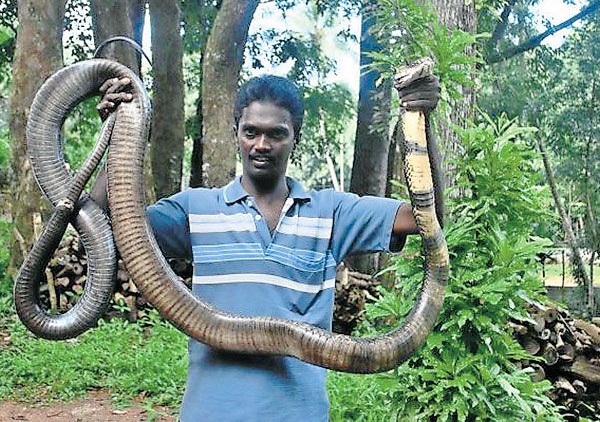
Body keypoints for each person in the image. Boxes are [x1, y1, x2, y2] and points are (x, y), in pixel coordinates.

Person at [93, 73, 440, 421]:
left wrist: (420, 120)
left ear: (295, 138)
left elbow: (429, 215)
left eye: (276, 134)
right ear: (236, 135)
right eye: (251, 132)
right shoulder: (194, 210)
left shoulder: (332, 213)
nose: (261, 144)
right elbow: (102, 227)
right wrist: (119, 133)